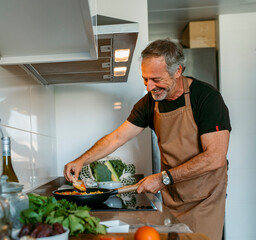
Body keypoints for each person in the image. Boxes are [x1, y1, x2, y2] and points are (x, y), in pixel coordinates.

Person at [64, 39, 231, 240]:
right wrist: (82, 160)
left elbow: (215, 157)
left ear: (177, 71)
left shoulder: (206, 98)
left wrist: (163, 178)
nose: (150, 86)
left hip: (205, 200)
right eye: (145, 79)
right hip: (173, 197)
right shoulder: (150, 102)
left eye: (156, 79)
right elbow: (117, 138)